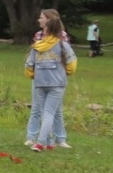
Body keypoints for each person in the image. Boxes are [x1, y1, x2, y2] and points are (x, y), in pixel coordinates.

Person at [25, 14, 77, 152]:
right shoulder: (63, 45)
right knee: (49, 113)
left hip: (40, 83)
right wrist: (65, 72)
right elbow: (72, 65)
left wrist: (34, 76)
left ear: (47, 29)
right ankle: (41, 143)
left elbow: (29, 66)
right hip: (57, 84)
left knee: (44, 112)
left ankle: (50, 142)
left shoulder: (37, 45)